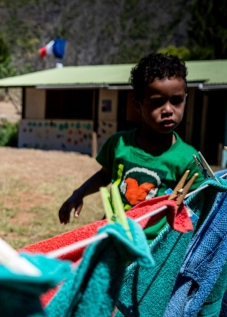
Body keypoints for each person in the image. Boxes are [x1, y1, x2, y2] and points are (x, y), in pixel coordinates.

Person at [59, 53, 203, 239]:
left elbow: (198, 205)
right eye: (157, 102)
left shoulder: (189, 159)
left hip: (152, 250)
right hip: (112, 238)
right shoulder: (119, 143)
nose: (168, 110)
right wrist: (78, 193)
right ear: (137, 104)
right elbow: (104, 175)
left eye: (176, 101)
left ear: (185, 98)